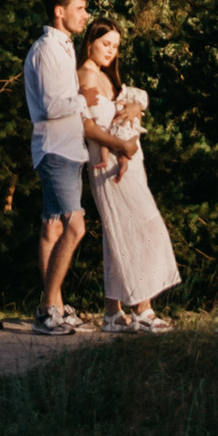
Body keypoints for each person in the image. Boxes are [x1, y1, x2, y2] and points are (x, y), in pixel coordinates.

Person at [78, 20, 179, 329]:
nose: (111, 50)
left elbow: (124, 105)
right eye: (106, 43)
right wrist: (122, 145)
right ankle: (143, 308)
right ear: (91, 42)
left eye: (116, 46)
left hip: (126, 160)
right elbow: (88, 127)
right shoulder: (85, 76)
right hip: (107, 163)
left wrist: (135, 109)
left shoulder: (107, 77)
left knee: (118, 233)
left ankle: (112, 312)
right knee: (140, 227)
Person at [21, 0, 91, 331]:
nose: (86, 15)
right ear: (58, 11)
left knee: (53, 227)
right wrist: (84, 100)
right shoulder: (47, 48)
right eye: (80, 8)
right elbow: (49, 107)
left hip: (67, 148)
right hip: (55, 149)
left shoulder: (64, 47)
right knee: (75, 227)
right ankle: (48, 309)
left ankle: (57, 307)